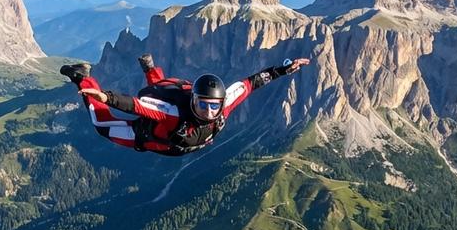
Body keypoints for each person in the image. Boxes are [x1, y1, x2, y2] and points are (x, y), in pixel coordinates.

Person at [59, 53, 311, 156]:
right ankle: (82, 77)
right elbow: (136, 106)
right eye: (202, 105)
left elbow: (251, 83)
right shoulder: (173, 114)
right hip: (146, 134)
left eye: (214, 106)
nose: (209, 112)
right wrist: (104, 97)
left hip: (173, 131)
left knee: (160, 88)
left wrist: (284, 70)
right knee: (102, 125)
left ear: (221, 102)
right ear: (193, 100)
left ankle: (150, 69)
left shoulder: (225, 105)